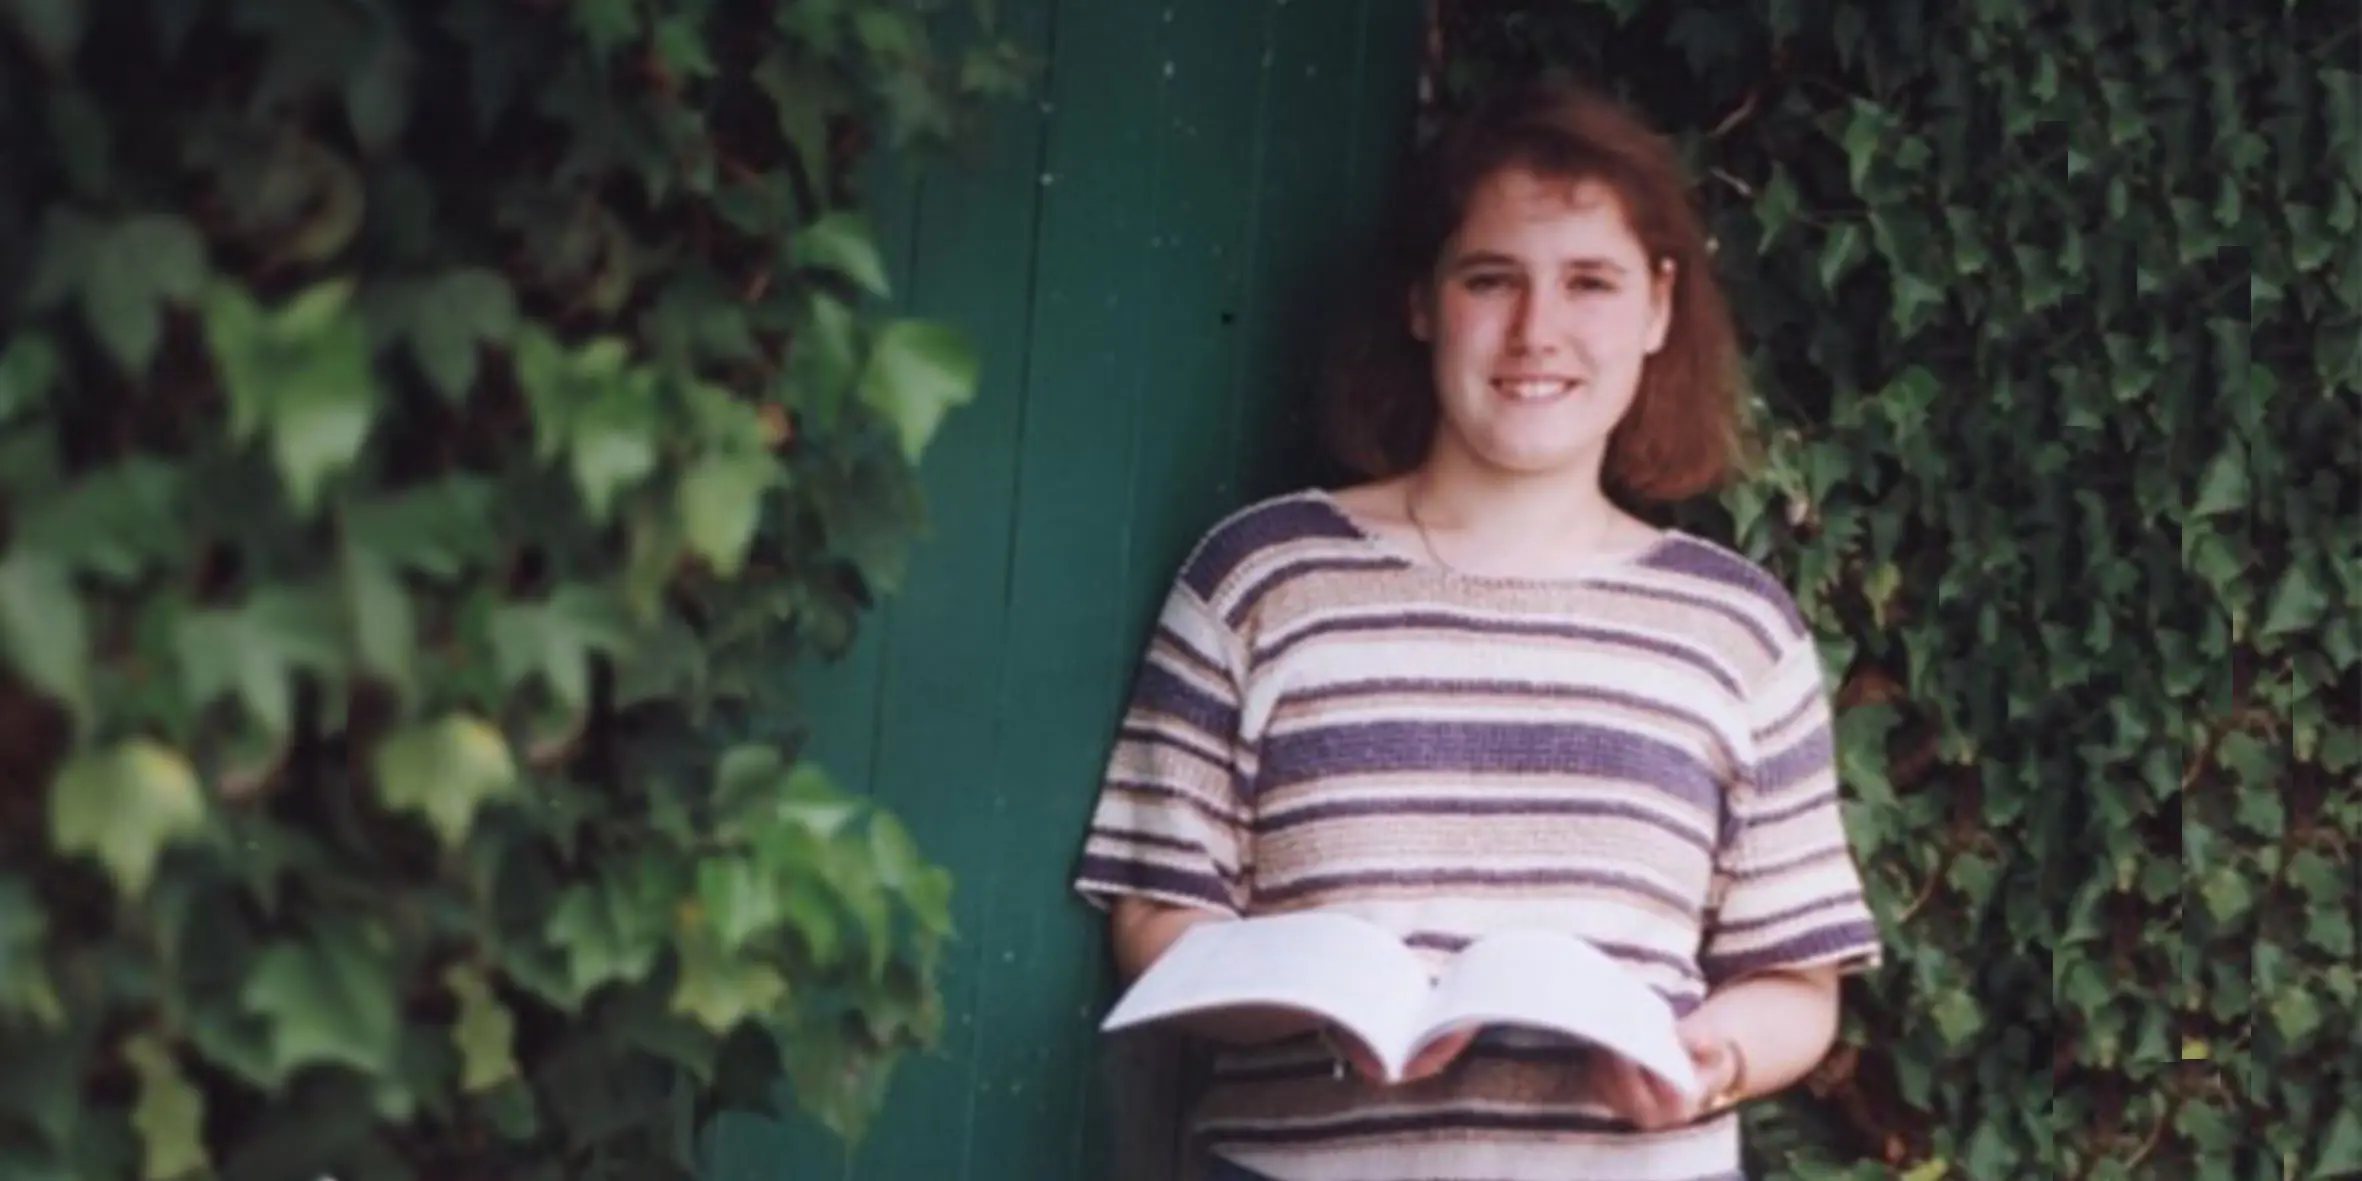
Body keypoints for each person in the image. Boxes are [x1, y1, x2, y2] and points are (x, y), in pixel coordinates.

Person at [1070, 77, 1884, 1181]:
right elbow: (1156, 921)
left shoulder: (1736, 626)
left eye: (1587, 282)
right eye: (1490, 278)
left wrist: (1713, 1057)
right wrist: (1310, 1006)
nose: (1535, 331)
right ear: (1422, 302)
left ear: (1656, 308)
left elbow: (1797, 978)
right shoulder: (1261, 577)